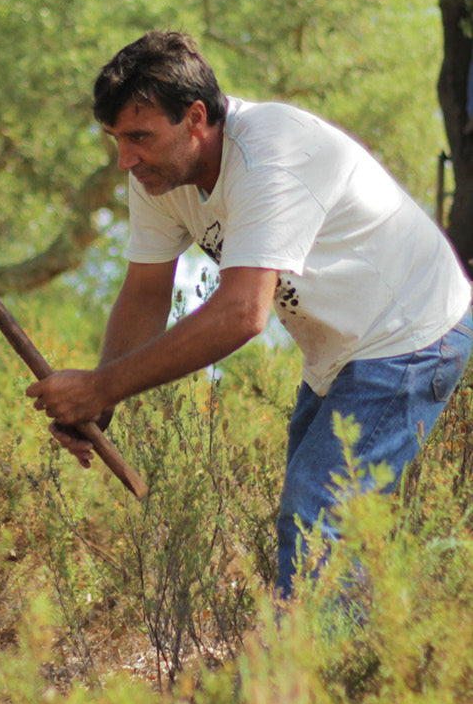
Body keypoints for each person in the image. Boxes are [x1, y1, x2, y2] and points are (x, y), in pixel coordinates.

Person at [26, 31, 473, 598]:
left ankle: (311, 680)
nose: (125, 160)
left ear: (194, 118)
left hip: (411, 334)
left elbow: (241, 314)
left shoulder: (272, 154)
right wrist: (102, 400)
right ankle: (363, 664)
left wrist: (98, 386)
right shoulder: (159, 176)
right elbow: (144, 292)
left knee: (317, 517)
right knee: (330, 525)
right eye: (115, 139)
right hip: (342, 352)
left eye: (138, 136)